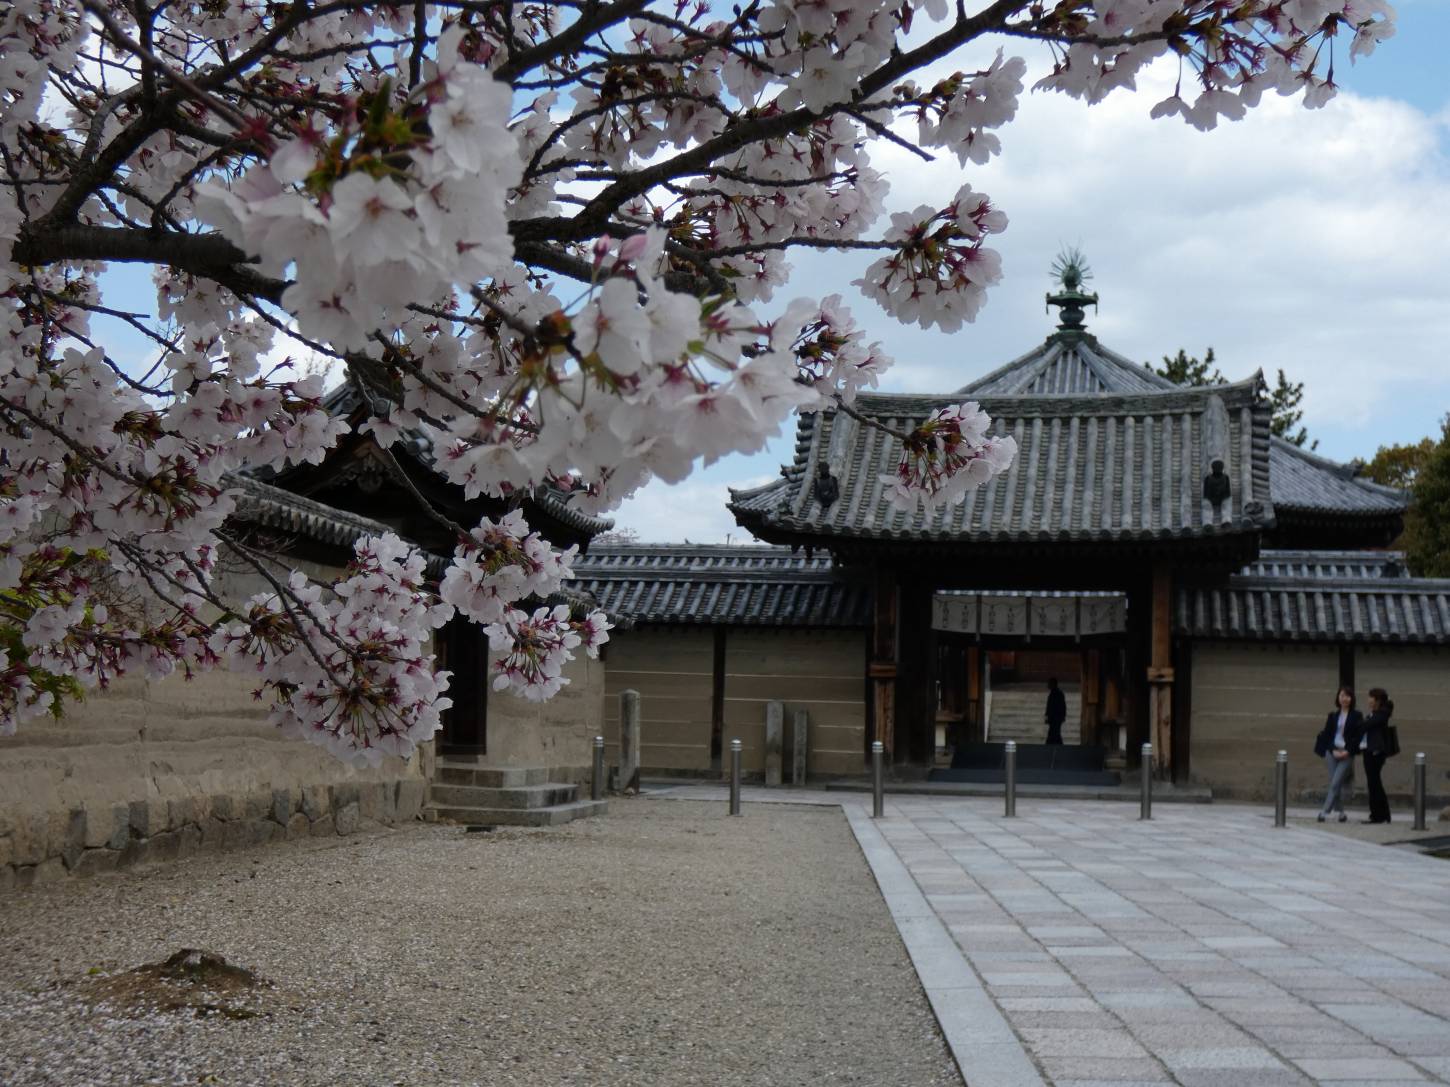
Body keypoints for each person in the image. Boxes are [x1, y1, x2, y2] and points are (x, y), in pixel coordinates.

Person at [1347, 687, 1395, 824]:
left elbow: (1365, 726)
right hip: (1369, 751)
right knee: (1374, 783)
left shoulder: (1382, 714)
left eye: (1371, 697)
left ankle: (1378, 815)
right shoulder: (1374, 713)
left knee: (1374, 783)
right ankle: (1381, 814)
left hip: (1375, 752)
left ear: (1377, 700)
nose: (1368, 700)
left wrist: (1362, 724)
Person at [1313, 686, 1360, 823]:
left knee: (1335, 783)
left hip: (1347, 753)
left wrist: (1347, 751)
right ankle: (1341, 814)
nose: (1344, 698)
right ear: (1338, 698)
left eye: (1347, 696)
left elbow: (1357, 737)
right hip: (1332, 753)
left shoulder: (1357, 716)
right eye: (1341, 695)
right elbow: (1327, 736)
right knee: (1335, 783)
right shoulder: (1332, 716)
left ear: (1351, 698)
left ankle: (1324, 812)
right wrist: (1333, 750)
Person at [1045, 677, 1066, 745]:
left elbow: (1061, 706)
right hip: (1054, 718)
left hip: (1056, 718)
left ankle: (1050, 745)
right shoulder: (1053, 694)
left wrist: (1062, 716)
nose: (1048, 685)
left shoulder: (1057, 694)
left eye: (1049, 683)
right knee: (1055, 733)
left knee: (1054, 732)